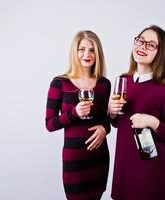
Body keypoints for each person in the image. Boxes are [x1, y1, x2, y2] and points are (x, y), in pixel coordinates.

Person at [108, 25, 165, 200]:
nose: (142, 46)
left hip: (150, 168)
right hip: (124, 163)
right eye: (140, 41)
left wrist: (151, 121)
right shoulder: (123, 80)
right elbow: (119, 123)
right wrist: (111, 112)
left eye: (150, 45)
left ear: (160, 53)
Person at [45, 30, 111, 200]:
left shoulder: (104, 84)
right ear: (75, 52)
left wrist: (105, 128)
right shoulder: (60, 83)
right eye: (82, 49)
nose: (87, 54)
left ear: (98, 53)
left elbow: (106, 119)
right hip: (74, 162)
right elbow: (50, 124)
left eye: (92, 50)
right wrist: (74, 113)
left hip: (99, 158)